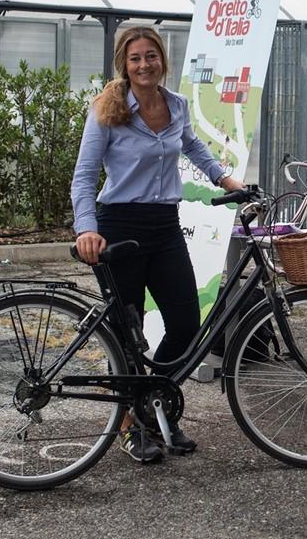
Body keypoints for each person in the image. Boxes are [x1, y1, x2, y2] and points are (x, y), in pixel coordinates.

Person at [71, 26, 243, 464]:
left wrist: (225, 179)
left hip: (165, 226)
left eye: (151, 56)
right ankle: (131, 426)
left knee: (186, 323)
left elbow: (193, 147)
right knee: (128, 338)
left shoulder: (177, 105)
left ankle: (154, 406)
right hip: (118, 228)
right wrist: (85, 229)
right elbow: (85, 175)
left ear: (162, 60)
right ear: (123, 65)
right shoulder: (107, 110)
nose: (144, 64)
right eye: (135, 59)